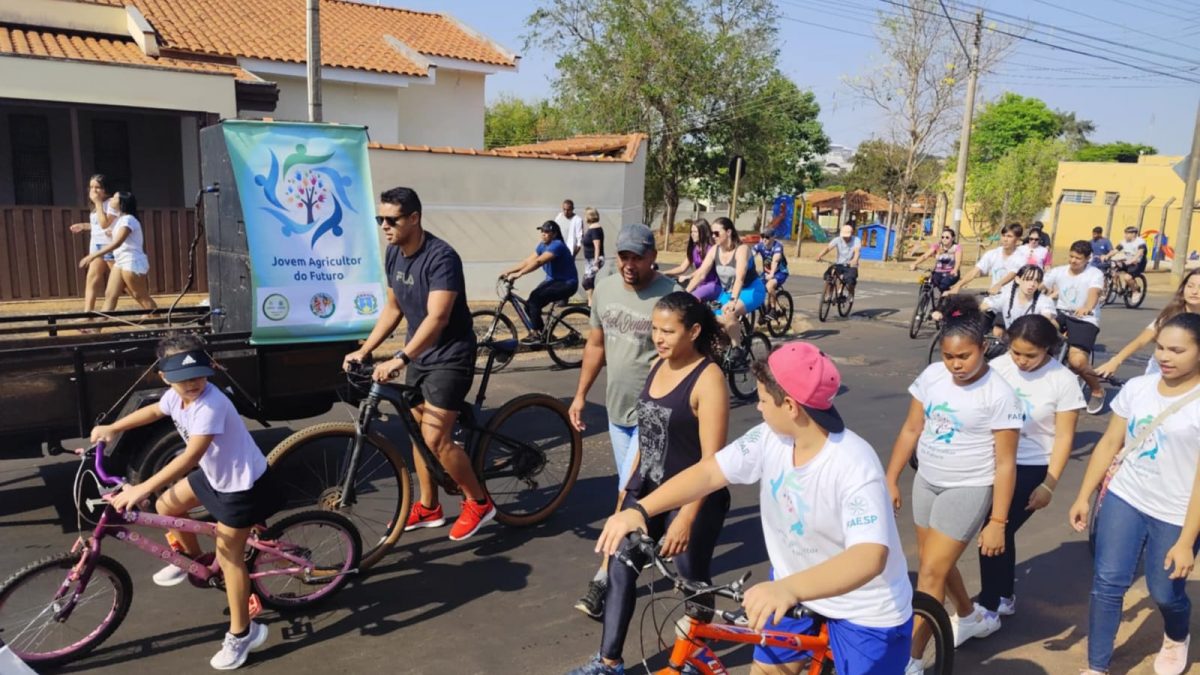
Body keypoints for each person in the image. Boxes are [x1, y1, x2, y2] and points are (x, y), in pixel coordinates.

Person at [595, 342, 914, 675]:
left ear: (790, 406)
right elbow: (709, 472)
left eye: (762, 400)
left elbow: (869, 556)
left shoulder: (853, 463)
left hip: (862, 609)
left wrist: (788, 588)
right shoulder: (769, 438)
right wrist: (640, 510)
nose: (758, 408)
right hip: (793, 592)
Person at [88, 334, 282, 670]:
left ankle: (242, 635)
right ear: (164, 377)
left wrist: (140, 487)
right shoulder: (175, 397)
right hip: (214, 476)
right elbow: (152, 411)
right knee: (166, 507)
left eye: (198, 375)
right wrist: (113, 427)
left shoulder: (212, 404)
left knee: (230, 555)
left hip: (242, 486)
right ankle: (194, 561)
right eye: (182, 379)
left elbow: (192, 455)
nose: (192, 384)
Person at [567, 292, 731, 675]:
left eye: (667, 331)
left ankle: (695, 656)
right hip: (647, 491)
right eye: (655, 329)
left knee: (692, 580)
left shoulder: (709, 379)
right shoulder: (659, 364)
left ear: (693, 331)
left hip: (693, 499)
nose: (658, 337)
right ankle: (608, 662)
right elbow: (647, 431)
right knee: (621, 566)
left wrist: (686, 519)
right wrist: (628, 490)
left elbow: (712, 464)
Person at [343, 187, 495, 541]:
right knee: (415, 431)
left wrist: (400, 357)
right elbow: (394, 309)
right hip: (420, 354)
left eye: (391, 219)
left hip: (450, 355)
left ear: (414, 218)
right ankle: (430, 506)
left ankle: (479, 501)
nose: (384, 225)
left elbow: (437, 319)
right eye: (380, 219)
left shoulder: (442, 257)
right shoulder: (394, 253)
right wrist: (365, 350)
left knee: (435, 436)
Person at [885, 295, 1022, 656]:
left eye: (965, 356)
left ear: (983, 347)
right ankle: (969, 614)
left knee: (930, 574)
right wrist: (891, 478)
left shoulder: (999, 394)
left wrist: (997, 521)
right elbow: (911, 430)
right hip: (927, 482)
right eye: (949, 357)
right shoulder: (932, 376)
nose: (956, 365)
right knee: (933, 563)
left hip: (969, 488)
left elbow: (1006, 463)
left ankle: (910, 659)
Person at [1069, 313, 1200, 675]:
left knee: (1164, 592)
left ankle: (1176, 634)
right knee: (1107, 582)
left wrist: (1187, 540)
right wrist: (1083, 496)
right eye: (1160, 347)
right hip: (1125, 498)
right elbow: (1111, 442)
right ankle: (1097, 666)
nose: (1164, 357)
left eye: (1177, 350)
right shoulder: (1139, 389)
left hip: (1175, 513)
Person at [570, 223, 680, 620]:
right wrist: (581, 395)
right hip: (616, 412)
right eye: (623, 256)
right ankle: (647, 535)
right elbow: (596, 344)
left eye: (637, 256)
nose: (629, 264)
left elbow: (686, 358)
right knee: (636, 489)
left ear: (653, 256)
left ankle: (603, 578)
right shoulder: (606, 288)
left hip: (653, 412)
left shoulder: (671, 296)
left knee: (624, 492)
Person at [979, 314, 1084, 624]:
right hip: (994, 461)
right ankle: (1003, 596)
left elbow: (1064, 436)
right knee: (1001, 529)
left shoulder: (1061, 380)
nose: (1021, 361)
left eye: (1030, 355)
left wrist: (1049, 484)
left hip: (1032, 466)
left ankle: (989, 603)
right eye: (1016, 352)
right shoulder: (997, 368)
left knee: (996, 527)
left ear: (1048, 349)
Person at [1097, 268, 1200, 379]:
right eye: (1190, 286)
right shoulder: (1170, 315)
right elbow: (1141, 341)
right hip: (1160, 372)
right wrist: (1115, 361)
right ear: (1183, 288)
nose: (1194, 291)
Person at [1043, 240, 1107, 414]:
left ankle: (1097, 390)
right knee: (1038, 334)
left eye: (1078, 258)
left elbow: (1094, 293)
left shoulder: (1094, 274)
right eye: (1071, 256)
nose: (1073, 261)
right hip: (1061, 313)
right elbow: (1042, 286)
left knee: (1077, 361)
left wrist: (1087, 307)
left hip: (1085, 318)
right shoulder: (1058, 271)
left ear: (1088, 259)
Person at [686, 217, 766, 348]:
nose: (713, 236)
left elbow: (740, 278)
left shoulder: (742, 250)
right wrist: (685, 294)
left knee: (729, 314)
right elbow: (701, 274)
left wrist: (733, 301)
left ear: (728, 232)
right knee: (712, 321)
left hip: (750, 290)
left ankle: (737, 350)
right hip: (728, 292)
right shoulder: (714, 250)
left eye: (716, 233)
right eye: (711, 233)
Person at [501, 220, 579, 343]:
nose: (543, 234)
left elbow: (539, 262)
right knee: (529, 305)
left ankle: (536, 334)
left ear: (554, 234)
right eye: (542, 231)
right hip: (552, 281)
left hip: (567, 283)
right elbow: (528, 261)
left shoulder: (557, 245)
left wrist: (519, 274)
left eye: (547, 231)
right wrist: (508, 272)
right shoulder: (542, 245)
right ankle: (544, 335)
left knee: (535, 300)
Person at [79, 191, 157, 312]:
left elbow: (117, 243)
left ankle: (162, 326)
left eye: (114, 198)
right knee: (110, 295)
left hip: (131, 262)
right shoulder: (120, 219)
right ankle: (96, 329)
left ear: (121, 204)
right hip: (120, 262)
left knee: (140, 296)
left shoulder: (128, 219)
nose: (111, 200)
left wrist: (92, 256)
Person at [68, 174, 117, 320]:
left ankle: (148, 309)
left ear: (105, 190)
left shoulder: (111, 204)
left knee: (125, 283)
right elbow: (98, 226)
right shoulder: (96, 206)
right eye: (91, 187)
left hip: (109, 246)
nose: (93, 191)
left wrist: (98, 203)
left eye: (98, 187)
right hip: (96, 245)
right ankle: (88, 314)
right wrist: (84, 226)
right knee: (92, 278)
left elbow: (107, 224)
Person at [981, 264, 1057, 337]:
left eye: (1036, 280)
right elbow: (983, 306)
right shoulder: (1006, 296)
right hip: (1012, 340)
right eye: (1028, 279)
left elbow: (1045, 319)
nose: (1032, 284)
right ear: (1017, 279)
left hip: (1034, 341)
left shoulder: (1045, 301)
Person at [949, 223, 1025, 296]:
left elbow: (1012, 273)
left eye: (1009, 236)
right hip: (994, 297)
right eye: (1003, 235)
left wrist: (999, 285)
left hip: (1012, 299)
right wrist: (957, 286)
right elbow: (974, 271)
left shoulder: (1021, 257)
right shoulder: (992, 254)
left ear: (1017, 239)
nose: (1005, 239)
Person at [662, 219, 719, 302]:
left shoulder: (711, 249)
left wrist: (688, 276)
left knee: (688, 299)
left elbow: (702, 271)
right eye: (691, 231)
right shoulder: (694, 249)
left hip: (712, 284)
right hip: (698, 283)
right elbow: (682, 268)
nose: (692, 234)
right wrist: (664, 273)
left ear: (703, 232)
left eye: (695, 232)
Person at [752, 228, 790, 316]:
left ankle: (774, 309)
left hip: (780, 272)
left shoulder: (777, 246)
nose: (764, 239)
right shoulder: (759, 246)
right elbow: (750, 256)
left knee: (769, 285)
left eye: (767, 237)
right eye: (762, 236)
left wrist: (772, 274)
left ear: (773, 237)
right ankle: (763, 312)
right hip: (766, 273)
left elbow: (775, 261)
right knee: (755, 286)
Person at [815, 223, 861, 296]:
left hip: (851, 265)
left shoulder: (856, 240)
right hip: (839, 263)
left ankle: (850, 294)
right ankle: (828, 295)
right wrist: (820, 255)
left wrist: (854, 260)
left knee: (850, 280)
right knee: (828, 276)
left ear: (851, 234)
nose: (845, 238)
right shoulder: (837, 239)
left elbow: (857, 251)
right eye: (844, 236)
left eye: (847, 236)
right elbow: (828, 248)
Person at [1102, 225, 1148, 291]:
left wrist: (1132, 260)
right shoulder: (1124, 242)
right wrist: (1107, 256)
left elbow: (1139, 253)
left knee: (1127, 278)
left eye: (1127, 233)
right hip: (1127, 261)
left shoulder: (1140, 242)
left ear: (1134, 234)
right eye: (1125, 233)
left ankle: (1136, 290)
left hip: (1138, 263)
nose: (1125, 235)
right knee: (1113, 269)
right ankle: (1117, 286)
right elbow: (1115, 250)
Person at [581, 207, 606, 306]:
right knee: (588, 283)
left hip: (594, 260)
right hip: (589, 260)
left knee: (587, 282)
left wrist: (596, 262)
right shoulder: (592, 228)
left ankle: (591, 305)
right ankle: (591, 303)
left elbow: (597, 246)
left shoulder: (595, 229)